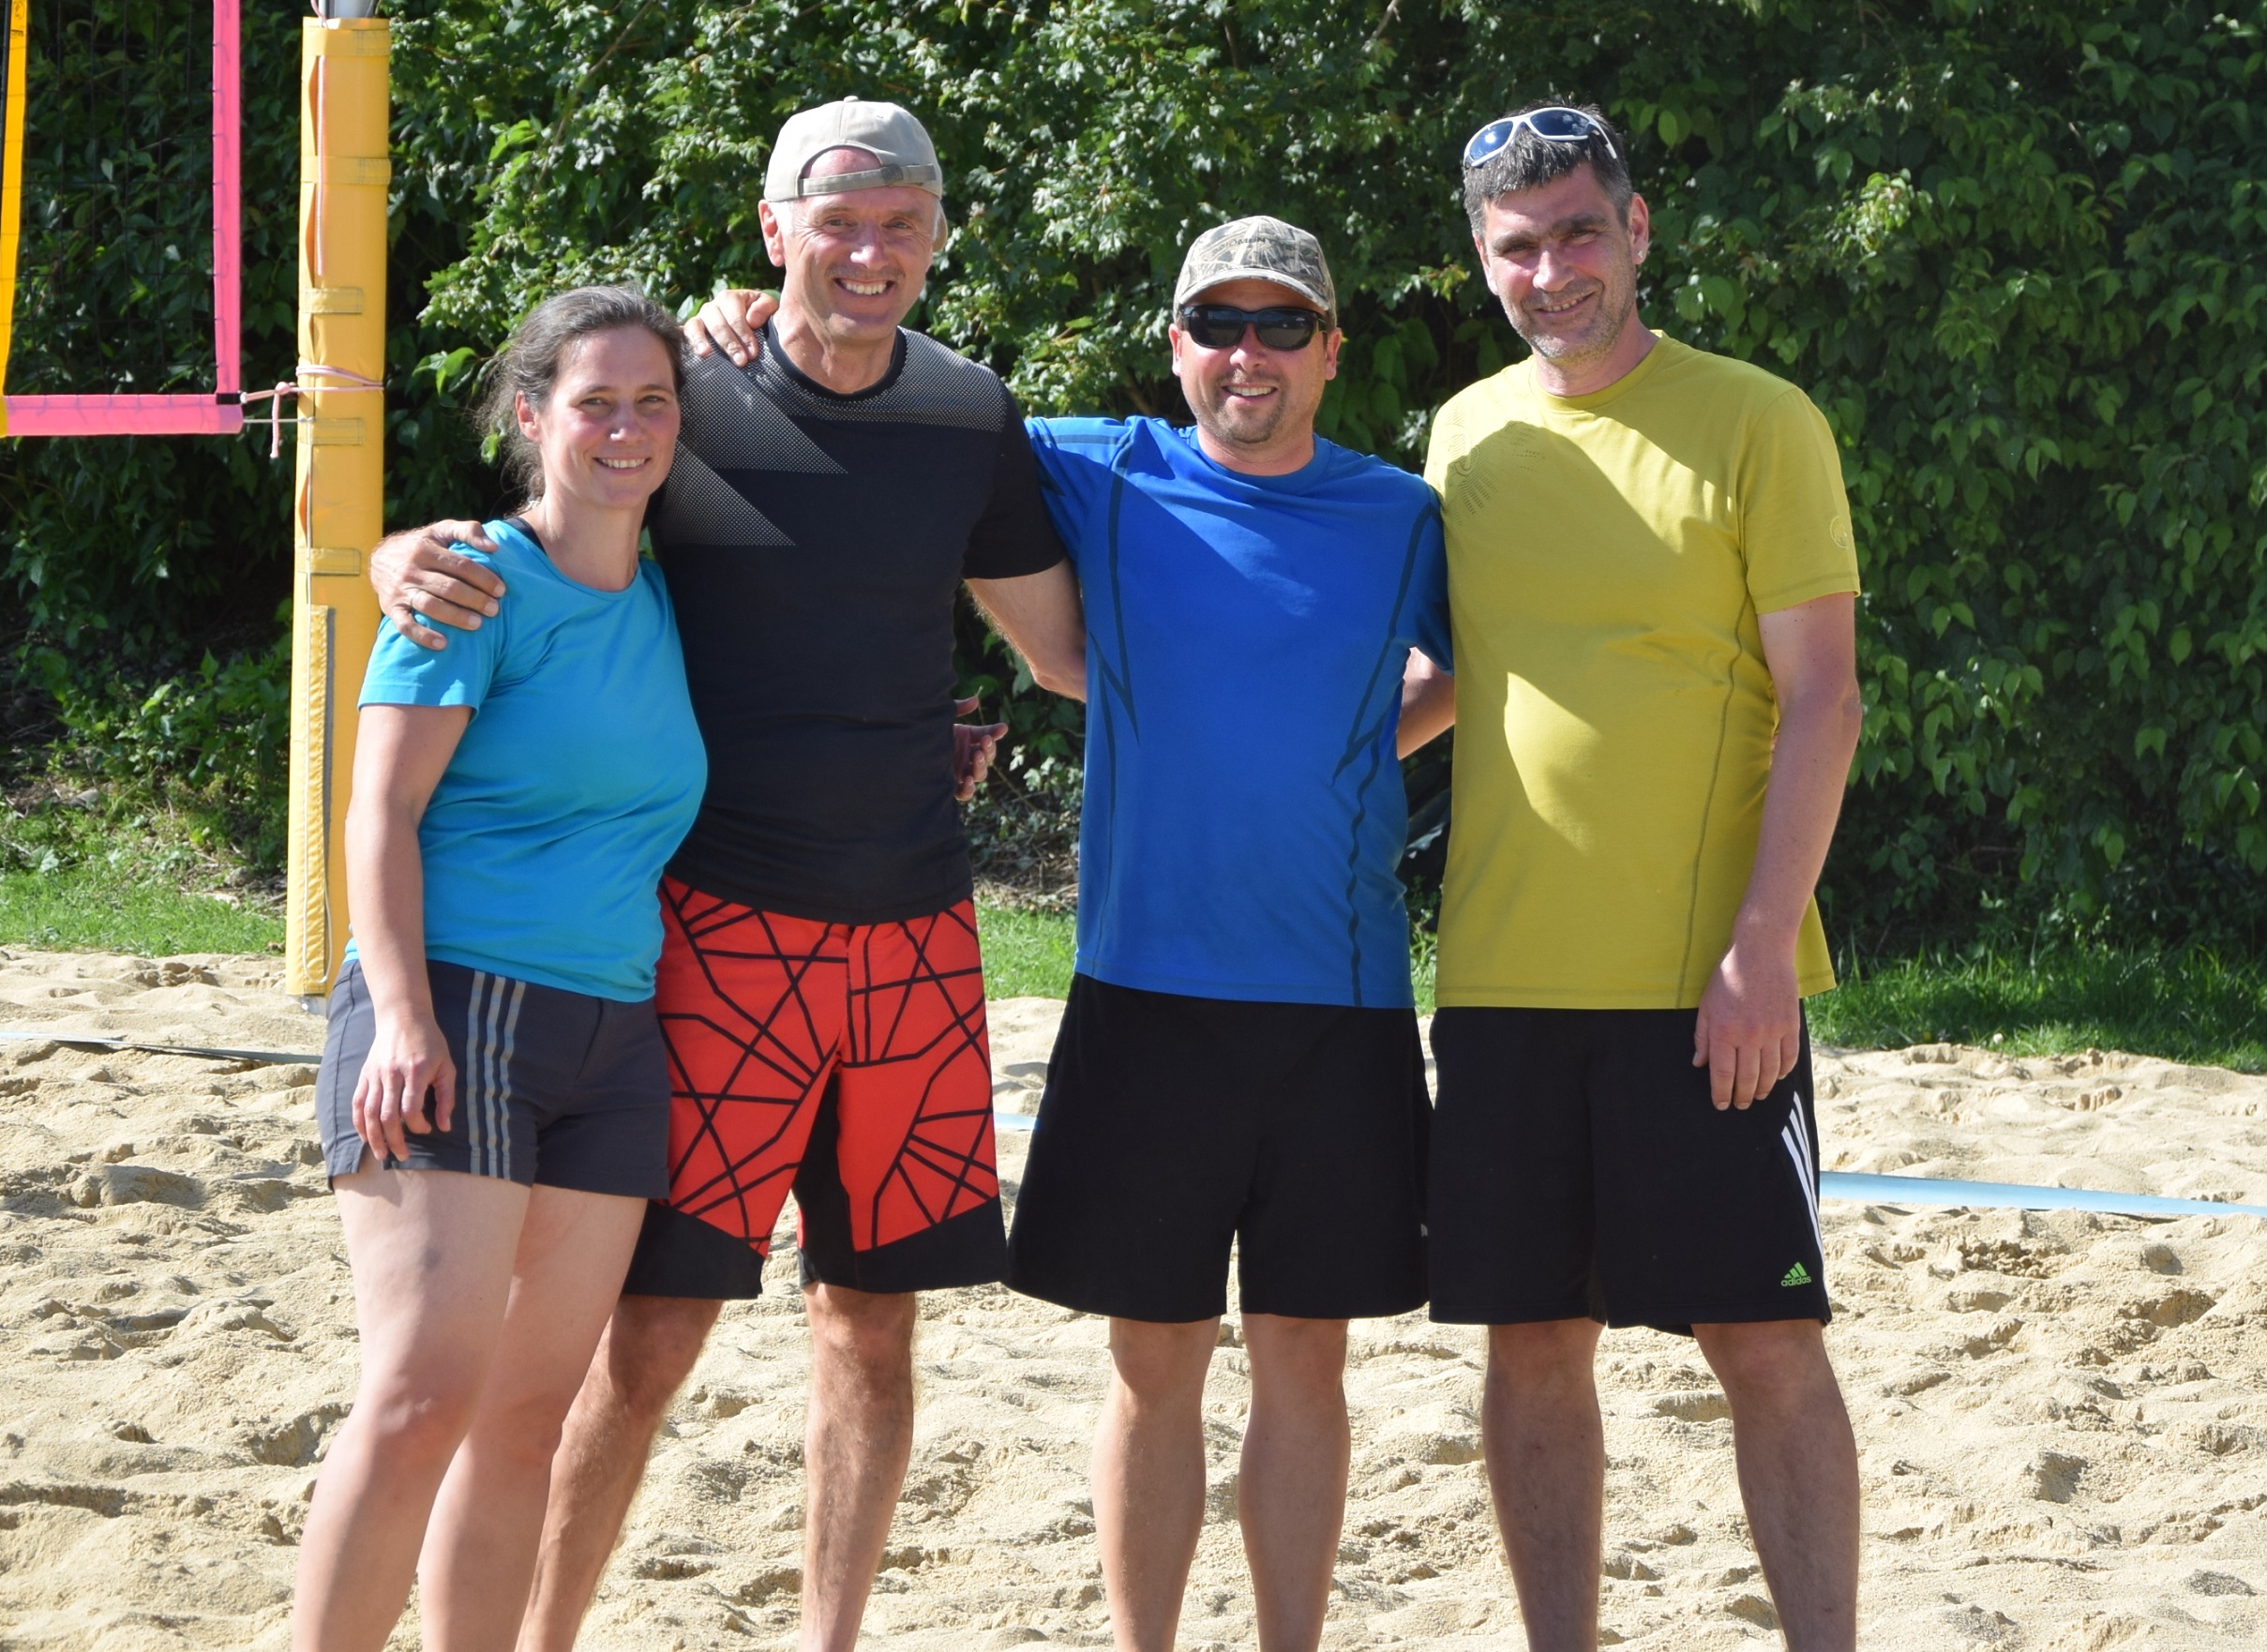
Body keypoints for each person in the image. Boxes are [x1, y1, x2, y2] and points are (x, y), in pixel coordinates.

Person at [367, 100, 1083, 1652]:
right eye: (840, 223)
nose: (870, 252)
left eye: (902, 223)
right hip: (713, 934)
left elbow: (1067, 652)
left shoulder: (969, 412)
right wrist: (395, 552)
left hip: (916, 931)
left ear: (939, 233)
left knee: (872, 1328)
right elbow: (545, 520)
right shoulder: (688, 395)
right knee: (648, 1337)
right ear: (775, 230)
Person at [697, 215, 1453, 1652]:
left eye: (1282, 325)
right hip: (1143, 998)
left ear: (1331, 351)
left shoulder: (1404, 514)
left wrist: (1361, 744)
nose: (1248, 353)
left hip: (1340, 1003)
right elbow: (896, 403)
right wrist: (757, 310)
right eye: (1217, 324)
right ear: (1174, 346)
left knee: (1307, 1362)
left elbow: (1471, 664)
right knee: (1153, 1365)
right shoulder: (1096, 466)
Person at [1423, 103, 1869, 1652]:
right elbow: (1460, 674)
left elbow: (1825, 698)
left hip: (1706, 989)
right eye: (1518, 246)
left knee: (1765, 1342)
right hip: (1500, 979)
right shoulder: (1465, 435)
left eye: (1578, 232)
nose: (1552, 269)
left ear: (1637, 229)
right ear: (1483, 261)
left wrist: (1761, 951)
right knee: (1532, 1346)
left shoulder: (1758, 419)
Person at [293, 287, 710, 1652]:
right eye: (596, 402)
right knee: (421, 1400)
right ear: (532, 416)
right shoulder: (472, 581)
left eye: (653, 402)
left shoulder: (668, 589)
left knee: (529, 1420)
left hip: (616, 1034)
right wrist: (403, 1018)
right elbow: (377, 814)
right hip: (460, 1002)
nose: (627, 428)